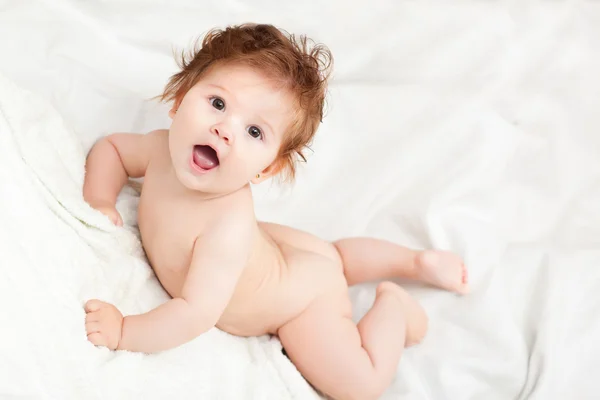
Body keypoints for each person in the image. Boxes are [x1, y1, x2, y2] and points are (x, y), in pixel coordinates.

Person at [82, 23, 468, 400]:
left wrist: (125, 331)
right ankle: (414, 262)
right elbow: (112, 150)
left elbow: (194, 313)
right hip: (280, 250)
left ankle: (395, 306)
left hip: (297, 303)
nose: (224, 129)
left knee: (360, 385)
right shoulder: (158, 149)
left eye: (254, 132)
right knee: (332, 256)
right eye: (217, 103)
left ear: (266, 168)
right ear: (180, 99)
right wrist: (100, 198)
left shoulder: (224, 228)